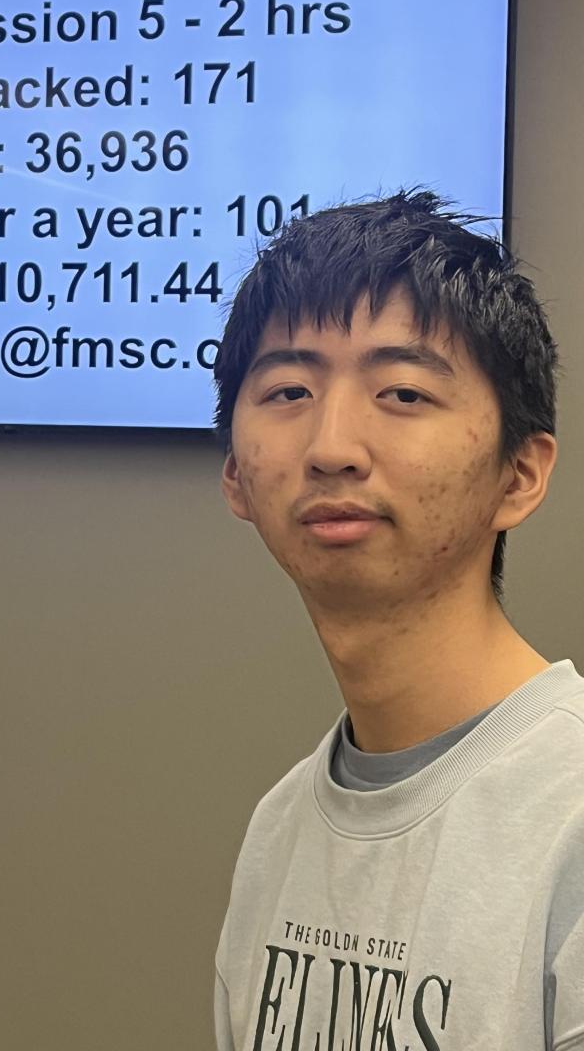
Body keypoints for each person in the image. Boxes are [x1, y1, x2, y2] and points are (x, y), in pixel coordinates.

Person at [211, 189, 584, 1051]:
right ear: (235, 476)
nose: (332, 447)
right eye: (289, 390)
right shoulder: (279, 829)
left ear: (520, 475)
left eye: (404, 393)